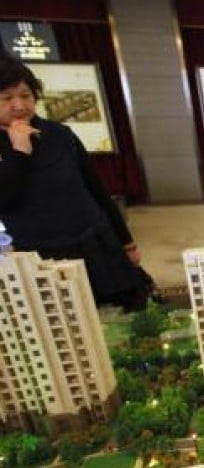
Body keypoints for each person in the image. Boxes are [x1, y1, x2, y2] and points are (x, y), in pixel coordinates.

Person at [0, 57, 150, 310]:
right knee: (68, 322)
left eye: (25, 95)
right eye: (6, 98)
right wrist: (19, 153)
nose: (19, 105)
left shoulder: (59, 134)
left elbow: (96, 190)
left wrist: (127, 243)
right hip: (40, 253)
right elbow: (5, 200)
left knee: (126, 309)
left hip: (93, 239)